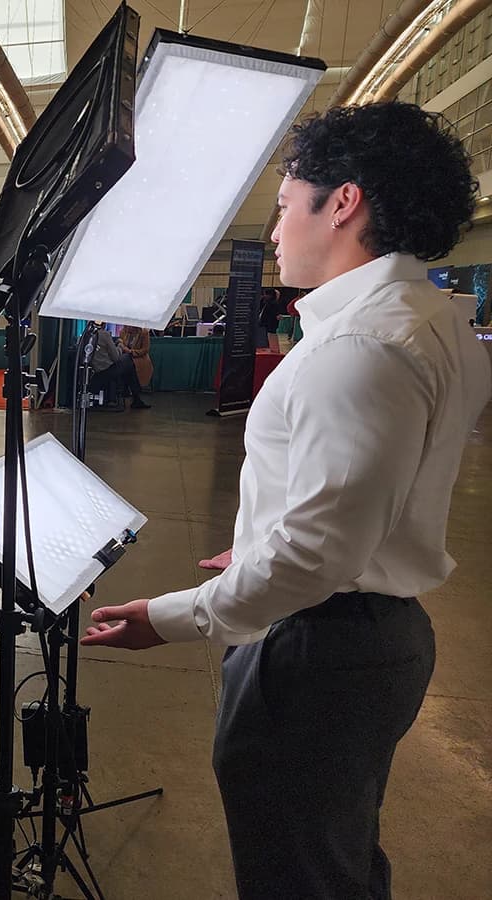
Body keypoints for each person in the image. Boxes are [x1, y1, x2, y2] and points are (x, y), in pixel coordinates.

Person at [80, 102, 492, 900]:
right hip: (373, 636)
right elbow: (379, 493)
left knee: (296, 879)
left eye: (282, 205)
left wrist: (170, 617)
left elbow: (315, 557)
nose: (273, 232)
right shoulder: (436, 320)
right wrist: (272, 533)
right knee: (336, 861)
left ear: (343, 202)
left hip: (317, 656)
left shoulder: (361, 348)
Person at [86, 323, 149, 409]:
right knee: (129, 362)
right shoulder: (106, 335)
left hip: (136, 359)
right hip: (106, 369)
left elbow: (145, 349)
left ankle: (130, 394)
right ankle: (135, 397)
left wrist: (127, 350)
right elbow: (115, 357)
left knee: (129, 365)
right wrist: (120, 347)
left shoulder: (87, 334)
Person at [119, 325, 153, 390]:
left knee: (128, 364)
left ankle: (130, 392)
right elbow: (121, 342)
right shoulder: (124, 331)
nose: (126, 327)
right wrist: (121, 344)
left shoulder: (144, 333)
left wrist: (131, 352)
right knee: (125, 363)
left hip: (140, 359)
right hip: (127, 358)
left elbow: (145, 349)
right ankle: (128, 391)